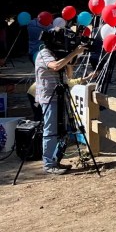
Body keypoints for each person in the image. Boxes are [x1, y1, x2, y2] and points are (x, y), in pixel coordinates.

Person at [35, 28, 88, 175]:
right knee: (50, 130)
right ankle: (48, 164)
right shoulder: (44, 54)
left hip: (61, 96)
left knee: (63, 130)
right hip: (49, 97)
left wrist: (71, 60)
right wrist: (73, 53)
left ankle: (56, 160)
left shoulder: (57, 54)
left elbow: (69, 76)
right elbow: (56, 66)